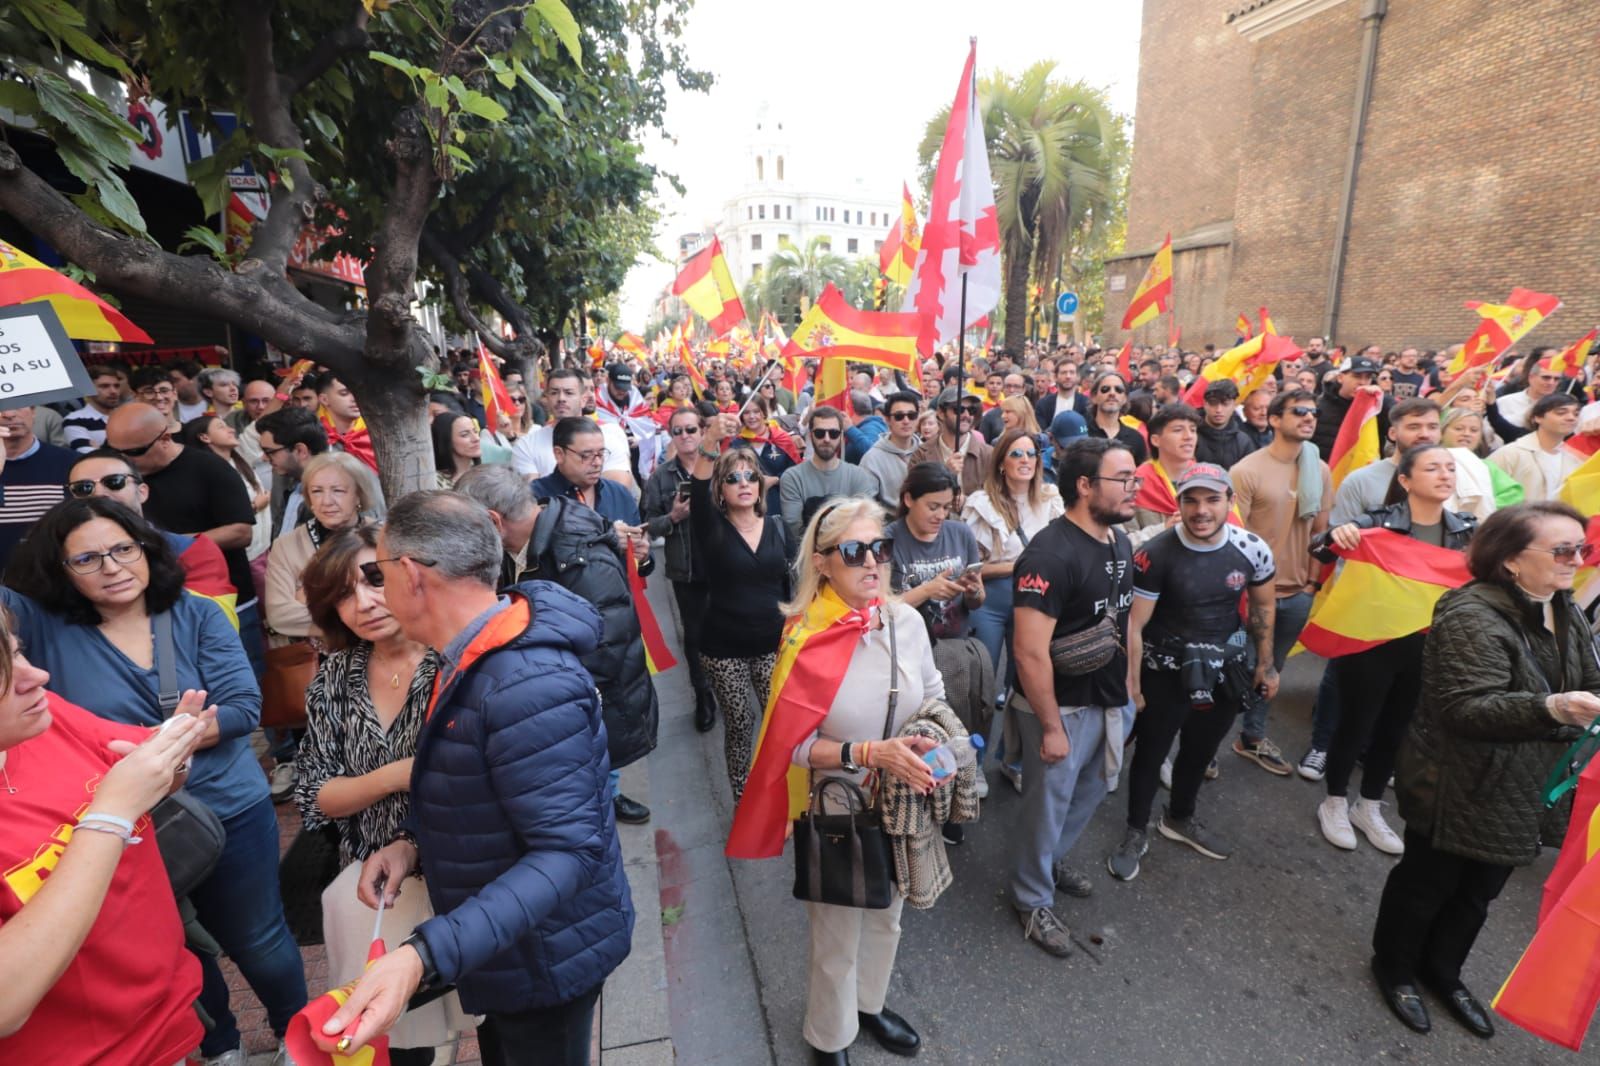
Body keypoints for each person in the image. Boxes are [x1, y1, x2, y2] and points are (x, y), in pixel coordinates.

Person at [318, 492, 633, 1066]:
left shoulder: (523, 682)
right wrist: (410, 844)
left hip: (544, 953)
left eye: (376, 573)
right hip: (506, 943)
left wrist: (421, 956)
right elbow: (480, 788)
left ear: (411, 575)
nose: (375, 592)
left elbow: (566, 852)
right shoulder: (471, 655)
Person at [1, 498, 307, 1063]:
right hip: (116, 827)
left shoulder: (197, 614)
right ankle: (220, 1046)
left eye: (123, 549)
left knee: (259, 941)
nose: (112, 567)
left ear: (147, 549)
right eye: (87, 559)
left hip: (226, 808)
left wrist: (162, 747)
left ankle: (297, 1034)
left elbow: (242, 705)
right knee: (179, 941)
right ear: (59, 571)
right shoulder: (45, 630)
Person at [724, 497, 943, 1064]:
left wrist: (933, 744)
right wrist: (871, 753)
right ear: (822, 562)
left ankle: (869, 1006)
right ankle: (830, 1034)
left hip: (904, 797)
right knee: (837, 932)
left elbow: (935, 692)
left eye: (881, 548)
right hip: (838, 804)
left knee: (888, 914)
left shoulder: (908, 622)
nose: (873, 562)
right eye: (854, 551)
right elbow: (789, 746)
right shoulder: (803, 637)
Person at [1370, 503, 1600, 1037]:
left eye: (1580, 548)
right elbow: (1466, 710)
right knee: (1427, 884)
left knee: (1479, 893)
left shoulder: (1563, 607)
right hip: (1460, 781)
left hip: (1524, 784)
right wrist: (1554, 709)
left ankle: (1443, 972)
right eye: (1563, 550)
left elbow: (1589, 677)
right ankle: (1395, 967)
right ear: (1513, 560)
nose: (1577, 560)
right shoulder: (1472, 615)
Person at [0, 613, 211, 1065]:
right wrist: (110, 814)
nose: (36, 675)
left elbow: (140, 765)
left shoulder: (42, 719)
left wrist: (172, 757)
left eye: (16, 651)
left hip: (169, 1022)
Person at [293, 526, 467, 1064]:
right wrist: (403, 773)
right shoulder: (334, 679)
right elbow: (317, 793)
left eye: (373, 579)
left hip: (466, 876)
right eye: (343, 594)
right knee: (396, 1037)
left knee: (488, 1016)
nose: (364, 602)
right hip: (375, 888)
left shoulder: (457, 661)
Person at [1110, 464, 1278, 883]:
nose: (1201, 510)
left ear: (1230, 502)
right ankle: (1135, 831)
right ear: (1179, 503)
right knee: (1151, 752)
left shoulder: (1252, 548)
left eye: (1211, 499)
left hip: (1226, 669)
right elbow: (1135, 625)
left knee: (1202, 751)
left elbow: (1263, 607)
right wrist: (1133, 684)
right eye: (1191, 500)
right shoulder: (1155, 554)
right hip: (1165, 671)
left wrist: (1265, 664)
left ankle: (1180, 817)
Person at [1311, 445, 1476, 856]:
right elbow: (1319, 548)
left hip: (1427, 648)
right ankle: (1333, 800)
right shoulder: (1378, 522)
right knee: (1357, 722)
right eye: (1433, 467)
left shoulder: (1468, 533)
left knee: (1398, 728)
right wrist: (1335, 535)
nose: (1445, 474)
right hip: (1372, 641)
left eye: (1451, 468)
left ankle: (1368, 805)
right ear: (1405, 480)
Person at [1008, 438, 1137, 955]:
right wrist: (1053, 727)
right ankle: (1030, 896)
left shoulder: (1117, 541)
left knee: (1092, 790)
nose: (1135, 488)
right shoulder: (1049, 555)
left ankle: (1046, 861)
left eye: (1134, 478)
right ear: (1084, 486)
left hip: (1109, 700)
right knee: (1047, 804)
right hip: (1062, 708)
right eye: (1122, 479)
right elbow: (1030, 653)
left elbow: (1125, 622)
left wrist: (1131, 693)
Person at [105, 402, 265, 675]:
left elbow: (240, 531)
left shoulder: (209, 467)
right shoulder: (116, 477)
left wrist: (172, 543)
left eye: (134, 452)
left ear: (165, 438)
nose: (125, 461)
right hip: (155, 606)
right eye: (115, 452)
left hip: (225, 601)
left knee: (239, 682)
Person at [1228, 390, 1329, 778]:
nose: (1309, 417)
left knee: (1272, 671)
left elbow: (1321, 534)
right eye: (1299, 411)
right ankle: (1201, 748)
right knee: (1237, 671)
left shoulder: (1317, 470)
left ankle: (1251, 738)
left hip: (1297, 593)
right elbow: (1234, 537)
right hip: (1250, 596)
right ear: (1273, 419)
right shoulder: (1247, 470)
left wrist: (1311, 585)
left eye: (1313, 412)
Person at [691, 415, 789, 798]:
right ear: (720, 489)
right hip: (723, 650)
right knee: (740, 722)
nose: (743, 484)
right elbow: (698, 484)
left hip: (771, 645)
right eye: (732, 478)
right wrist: (712, 439)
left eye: (750, 476)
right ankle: (743, 796)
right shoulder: (712, 527)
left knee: (777, 723)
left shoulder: (779, 527)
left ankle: (781, 789)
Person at [885, 461, 989, 818]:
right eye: (933, 506)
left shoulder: (960, 534)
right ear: (909, 498)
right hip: (910, 654)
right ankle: (919, 800)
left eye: (947, 506)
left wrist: (974, 590)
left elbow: (977, 602)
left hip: (956, 646)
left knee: (956, 726)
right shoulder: (888, 540)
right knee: (920, 733)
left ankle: (954, 798)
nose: (941, 515)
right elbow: (882, 608)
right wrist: (927, 590)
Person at [67, 448, 239, 612]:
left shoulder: (193, 551)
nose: (99, 493)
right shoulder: (59, 557)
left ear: (142, 492)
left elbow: (212, 621)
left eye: (114, 482)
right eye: (83, 488)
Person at [639, 406, 715, 731]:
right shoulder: (662, 477)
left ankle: (729, 686)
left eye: (690, 430)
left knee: (727, 629)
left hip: (723, 565)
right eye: (678, 431)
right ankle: (704, 694)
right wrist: (672, 517)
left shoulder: (721, 467)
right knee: (695, 636)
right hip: (686, 570)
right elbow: (646, 525)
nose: (685, 436)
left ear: (702, 432)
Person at [512, 368, 633, 488]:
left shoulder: (609, 437)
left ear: (583, 400)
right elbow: (530, 497)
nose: (561, 398)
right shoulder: (527, 444)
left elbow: (618, 488)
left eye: (569, 392)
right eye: (554, 392)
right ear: (546, 399)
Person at [178, 414, 272, 562]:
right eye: (221, 427)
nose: (232, 430)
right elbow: (218, 519)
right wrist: (254, 507)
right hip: (247, 557)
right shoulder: (204, 473)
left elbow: (258, 426)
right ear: (204, 437)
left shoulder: (240, 458)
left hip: (264, 549)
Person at [778, 405, 877, 542]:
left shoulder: (859, 476)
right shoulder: (792, 477)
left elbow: (865, 523)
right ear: (811, 434)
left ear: (841, 436)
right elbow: (793, 528)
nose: (826, 439)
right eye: (820, 433)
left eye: (833, 433)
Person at [0, 405, 74, 570]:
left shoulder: (72, 463)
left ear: (34, 411)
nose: (9, 413)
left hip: (54, 578)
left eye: (19, 405)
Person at [1488, 391, 1581, 501]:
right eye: (1561, 413)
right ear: (1537, 417)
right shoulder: (1510, 454)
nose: (1571, 418)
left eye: (1576, 414)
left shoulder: (1576, 459)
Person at [256, 405, 329, 541]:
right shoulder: (282, 477)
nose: (264, 458)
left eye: (269, 452)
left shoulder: (339, 488)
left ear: (300, 451)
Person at [909, 388, 992, 505]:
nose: (966, 415)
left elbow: (998, 499)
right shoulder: (921, 453)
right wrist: (945, 474)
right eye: (959, 410)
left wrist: (968, 503)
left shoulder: (988, 454)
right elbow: (914, 496)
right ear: (941, 413)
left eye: (971, 410)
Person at [1313, 355, 1391, 461]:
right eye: (1357, 376)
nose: (1363, 382)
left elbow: (1394, 431)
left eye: (1368, 377)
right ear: (1341, 378)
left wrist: (1382, 401)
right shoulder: (1319, 405)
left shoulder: (1377, 406)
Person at [732, 394, 800, 514]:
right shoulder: (736, 443)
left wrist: (775, 480)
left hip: (780, 506)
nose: (752, 416)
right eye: (747, 412)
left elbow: (796, 471)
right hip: (748, 509)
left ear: (763, 413)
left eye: (756, 411)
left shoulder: (782, 438)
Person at [859, 391, 923, 510]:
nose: (906, 421)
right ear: (888, 420)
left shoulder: (927, 450)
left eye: (911, 415)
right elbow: (866, 504)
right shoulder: (872, 459)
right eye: (899, 416)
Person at [317, 371, 378, 473]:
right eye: (344, 393)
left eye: (358, 392)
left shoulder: (377, 433)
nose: (355, 398)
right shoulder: (315, 435)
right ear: (324, 399)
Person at [1084, 372, 1149, 464]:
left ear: (1125, 398)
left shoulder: (1136, 438)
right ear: (1094, 397)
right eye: (1105, 389)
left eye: (1118, 389)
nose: (1112, 393)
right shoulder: (1082, 433)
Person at [1194, 380, 1257, 468]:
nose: (1219, 410)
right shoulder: (1192, 437)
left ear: (1234, 405)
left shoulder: (1243, 442)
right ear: (1205, 404)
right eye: (1213, 403)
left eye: (1225, 404)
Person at [62, 364, 125, 452]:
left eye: (116, 386)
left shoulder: (129, 416)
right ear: (88, 389)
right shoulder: (74, 420)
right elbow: (90, 457)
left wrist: (101, 450)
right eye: (104, 386)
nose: (113, 391)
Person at [432, 411, 483, 488]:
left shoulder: (486, 473)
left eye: (475, 431)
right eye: (465, 435)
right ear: (446, 441)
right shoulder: (433, 482)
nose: (476, 438)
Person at [1035, 358, 1091, 427]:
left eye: (1072, 372)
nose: (1068, 376)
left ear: (1078, 377)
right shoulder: (1043, 404)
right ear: (1055, 377)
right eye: (1063, 373)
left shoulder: (1087, 404)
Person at [843, 390, 887, 464]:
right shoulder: (865, 426)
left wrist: (850, 430)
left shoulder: (872, 427)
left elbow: (872, 453)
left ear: (850, 409)